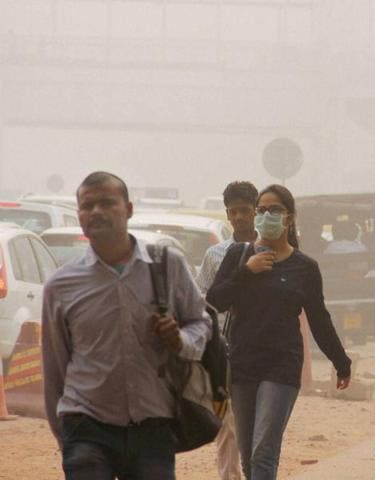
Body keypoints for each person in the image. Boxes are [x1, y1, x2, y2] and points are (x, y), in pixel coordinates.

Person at [42, 171, 212, 480]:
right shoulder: (61, 285)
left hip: (152, 425)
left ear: (128, 209)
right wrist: (64, 434)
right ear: (78, 214)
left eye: (107, 203)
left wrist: (180, 340)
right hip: (85, 425)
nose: (96, 211)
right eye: (87, 205)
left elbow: (200, 322)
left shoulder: (166, 266)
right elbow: (55, 365)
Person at [207, 184, 351, 480]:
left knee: (264, 453)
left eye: (274, 210)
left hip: (281, 367)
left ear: (289, 217)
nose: (266, 216)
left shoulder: (305, 268)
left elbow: (319, 320)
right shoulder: (238, 255)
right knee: (247, 457)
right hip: (243, 365)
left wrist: (341, 362)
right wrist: (246, 271)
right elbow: (214, 301)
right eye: (261, 210)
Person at [196, 181, 259, 480]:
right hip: (226, 348)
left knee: (259, 425)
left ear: (256, 211)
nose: (239, 218)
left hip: (262, 348)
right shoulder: (215, 255)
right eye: (233, 212)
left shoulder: (273, 250)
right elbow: (205, 301)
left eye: (245, 210)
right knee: (228, 426)